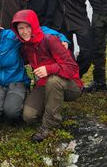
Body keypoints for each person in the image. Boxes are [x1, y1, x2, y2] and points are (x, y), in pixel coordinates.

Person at [0, 14, 69, 122]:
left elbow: (38, 30)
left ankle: (21, 100)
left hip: (17, 81)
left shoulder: (11, 37)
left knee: (12, 111)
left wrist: (61, 38)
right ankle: (2, 107)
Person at [11, 10, 82, 142]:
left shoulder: (50, 39)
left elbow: (72, 67)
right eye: (21, 28)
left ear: (34, 26)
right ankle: (51, 105)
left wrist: (49, 69)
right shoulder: (25, 45)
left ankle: (50, 125)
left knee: (53, 81)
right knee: (29, 116)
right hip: (43, 84)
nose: (25, 31)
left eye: (28, 27)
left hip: (70, 85)